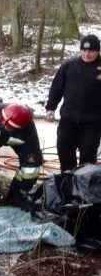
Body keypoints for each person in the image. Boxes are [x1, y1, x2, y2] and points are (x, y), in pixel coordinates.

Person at [46, 34, 101, 173]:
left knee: (87, 161)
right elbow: (57, 88)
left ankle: (83, 189)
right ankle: (67, 186)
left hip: (92, 123)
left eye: (91, 51)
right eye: (84, 50)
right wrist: (51, 107)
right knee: (64, 153)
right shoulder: (69, 66)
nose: (87, 54)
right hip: (68, 120)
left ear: (98, 51)